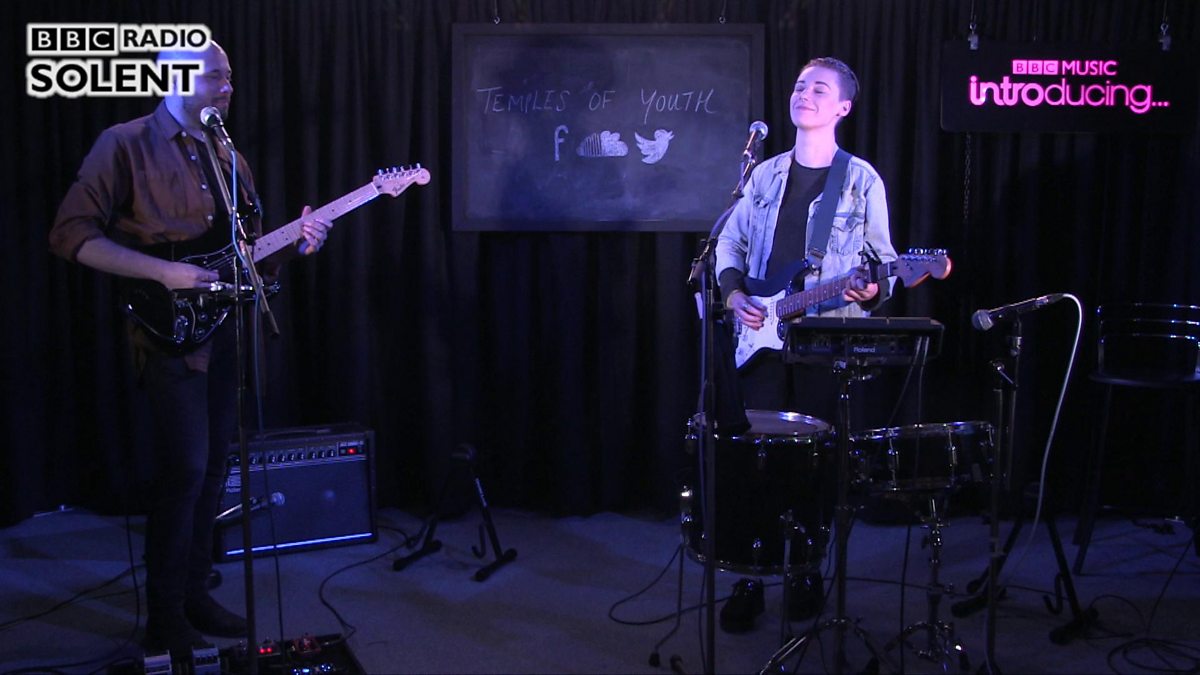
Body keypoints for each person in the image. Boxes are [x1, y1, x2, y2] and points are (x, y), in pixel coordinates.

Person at [48, 41, 333, 657]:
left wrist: (296, 242)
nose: (227, 88)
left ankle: (197, 593)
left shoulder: (228, 152)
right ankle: (165, 614)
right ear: (173, 78)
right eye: (214, 77)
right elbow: (70, 235)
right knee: (183, 471)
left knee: (213, 471)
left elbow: (248, 253)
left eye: (230, 77)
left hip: (226, 327)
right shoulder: (124, 144)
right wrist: (162, 272)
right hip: (168, 331)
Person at [713, 57, 898, 621]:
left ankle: (805, 572)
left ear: (842, 107)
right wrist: (733, 294)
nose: (804, 95)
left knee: (814, 467)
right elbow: (730, 245)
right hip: (759, 340)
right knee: (754, 459)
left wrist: (875, 287)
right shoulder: (764, 175)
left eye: (819, 89)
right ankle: (750, 574)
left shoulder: (861, 179)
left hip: (826, 344)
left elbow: (885, 262)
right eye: (798, 86)